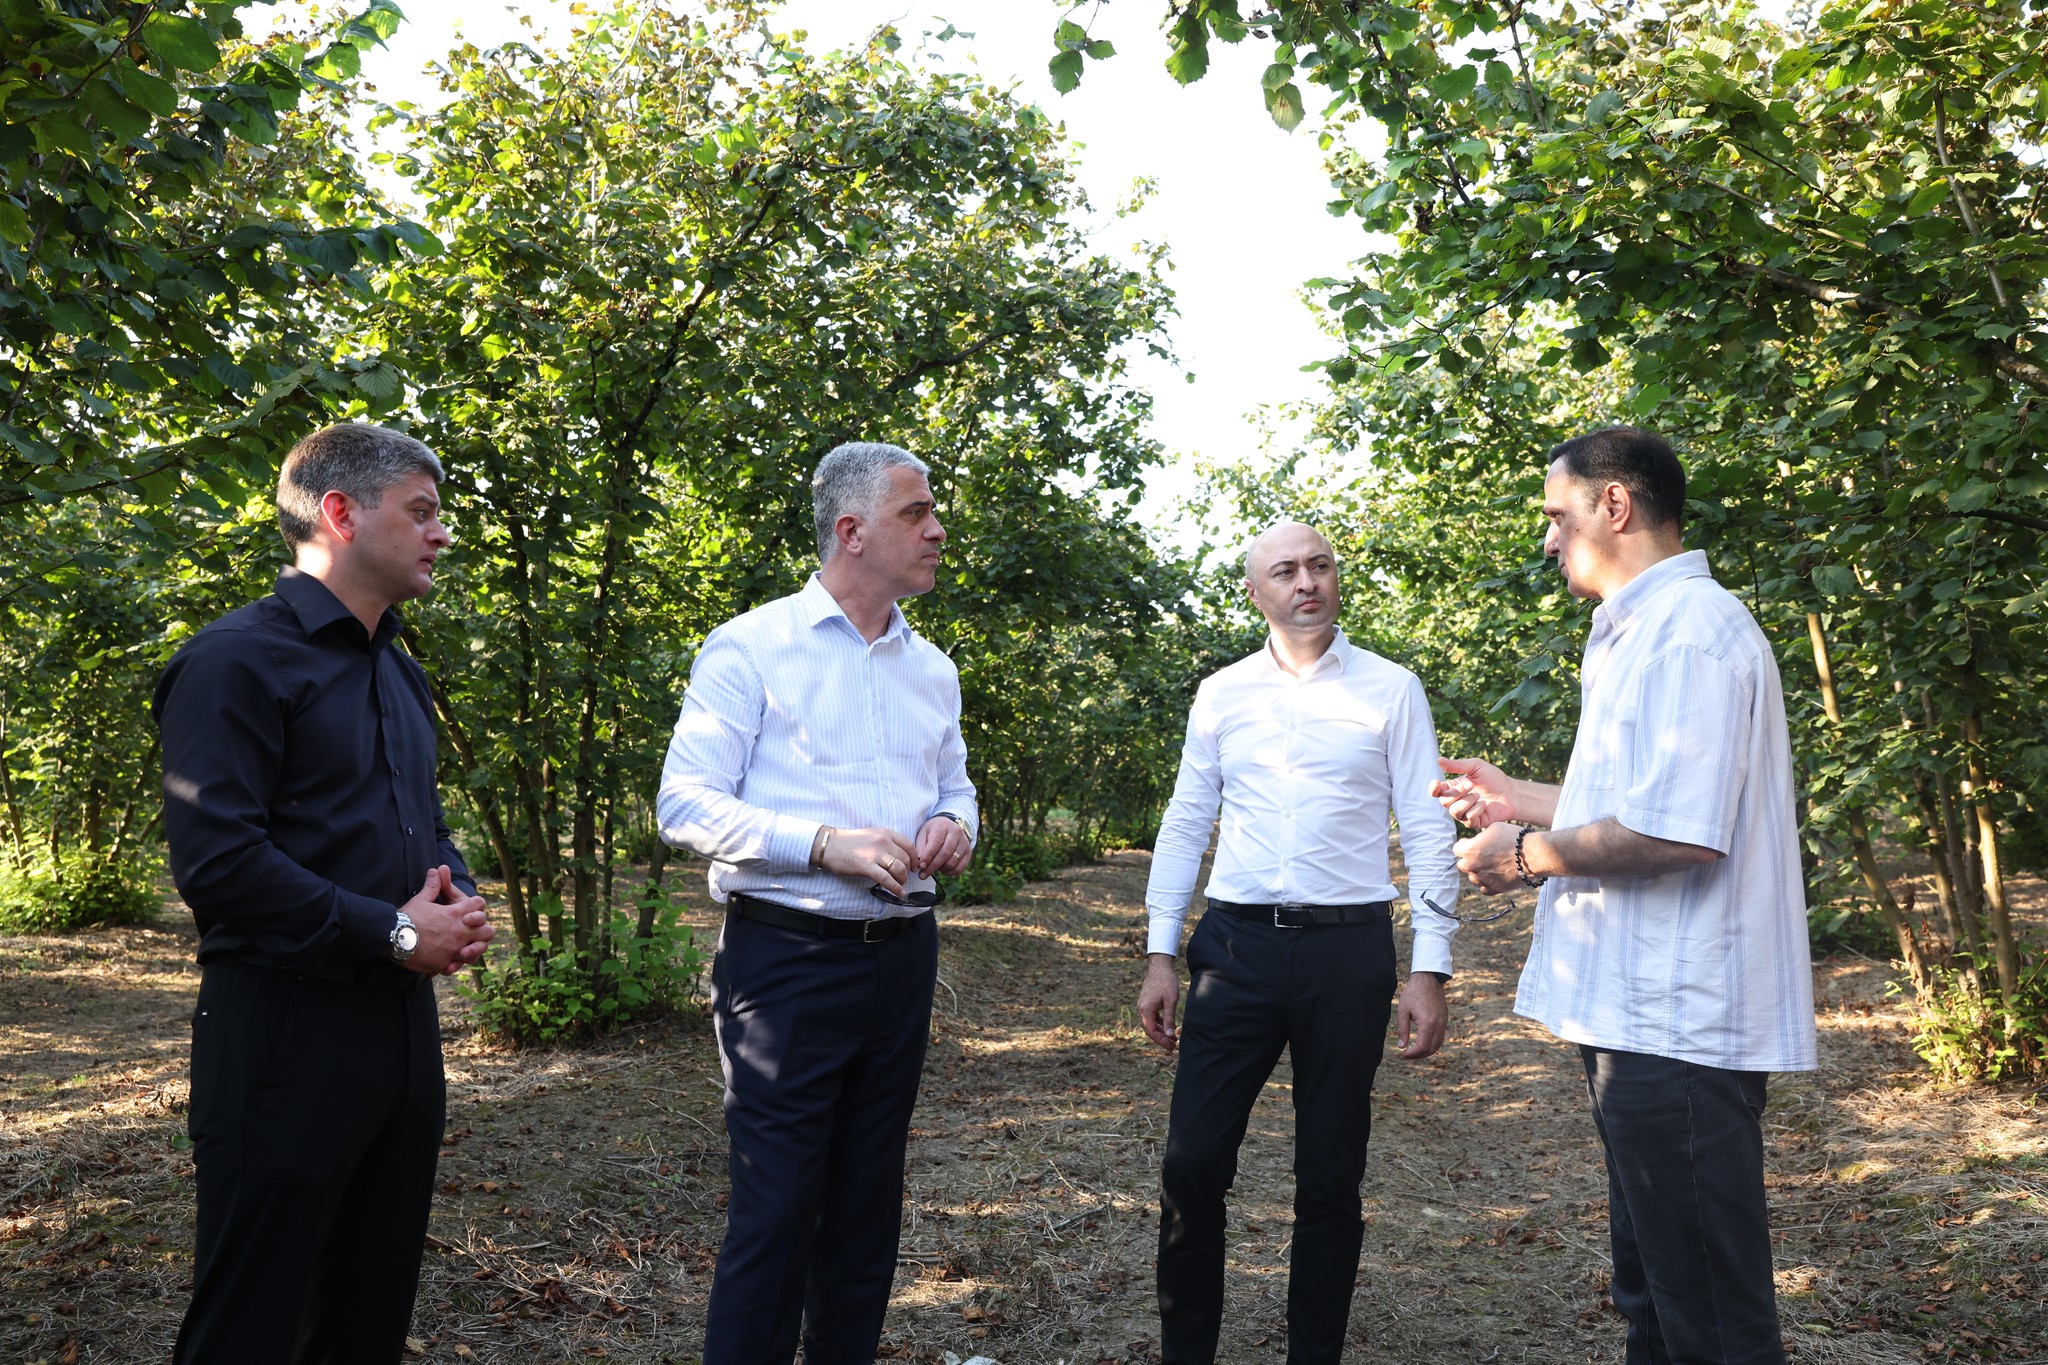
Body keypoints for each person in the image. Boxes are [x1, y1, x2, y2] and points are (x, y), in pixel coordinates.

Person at [1436, 426, 1816, 1365]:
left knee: (1711, 1322)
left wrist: (1526, 855)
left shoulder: (1691, 633)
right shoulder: (1637, 633)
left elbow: (1681, 831)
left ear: (1615, 504)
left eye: (1556, 514)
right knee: (1653, 1295)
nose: (1548, 538)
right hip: (1639, 1018)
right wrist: (1517, 798)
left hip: (1677, 1024)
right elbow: (1638, 801)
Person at [154, 422, 495, 1364]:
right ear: (340, 513)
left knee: (365, 1318)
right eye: (421, 511)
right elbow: (218, 862)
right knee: (250, 1324)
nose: (441, 532)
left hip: (402, 1036)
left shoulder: (399, 668)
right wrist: (394, 930)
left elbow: (425, 823)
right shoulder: (234, 661)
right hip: (282, 1033)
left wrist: (456, 898)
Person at [657, 441, 978, 1364]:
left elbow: (955, 787)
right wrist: (824, 843)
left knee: (869, 1208)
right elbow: (683, 803)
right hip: (786, 964)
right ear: (852, 530)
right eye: (917, 512)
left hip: (902, 958)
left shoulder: (933, 668)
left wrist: (954, 823)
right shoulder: (752, 645)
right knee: (777, 1211)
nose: (938, 529)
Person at [1137, 520, 1463, 1365]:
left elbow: (1427, 826)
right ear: (1257, 592)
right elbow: (1186, 820)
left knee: (1329, 1176)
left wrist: (1430, 966)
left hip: (1347, 955)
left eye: (1319, 565)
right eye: (1285, 570)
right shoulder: (1222, 693)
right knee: (1192, 1163)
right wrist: (1161, 954)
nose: (1306, 581)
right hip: (1235, 950)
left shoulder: (1392, 689)